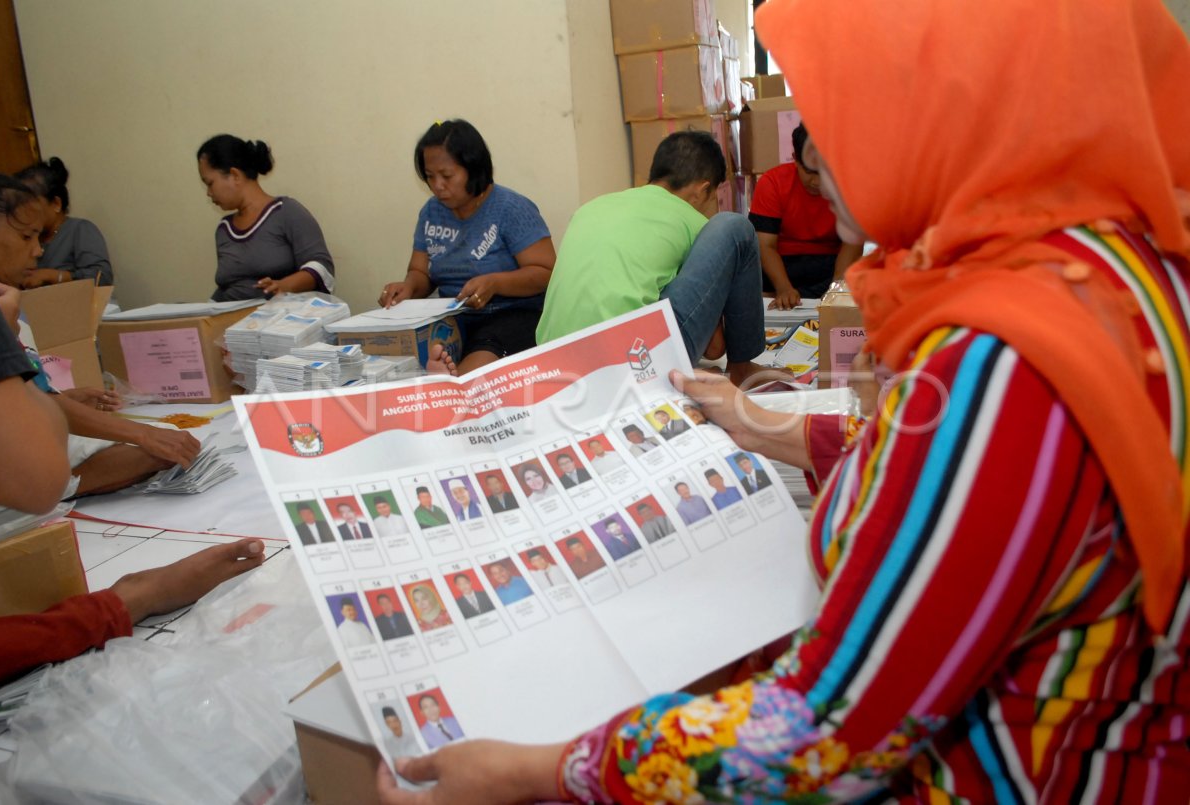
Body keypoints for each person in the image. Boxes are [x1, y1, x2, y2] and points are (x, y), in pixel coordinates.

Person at [374, 1, 1190, 802]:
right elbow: (934, 456)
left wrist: (534, 771)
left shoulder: (1005, 359)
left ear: (944, 110)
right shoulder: (1093, 267)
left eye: (841, 112)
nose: (813, 156)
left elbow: (819, 738)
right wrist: (764, 422)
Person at [0, 176, 267, 688]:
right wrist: (133, 598)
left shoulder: (9, 309)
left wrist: (52, 400)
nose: (38, 249)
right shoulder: (1, 318)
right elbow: (41, 480)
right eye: (26, 236)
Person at [0, 174, 201, 496]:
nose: (36, 252)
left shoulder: (3, 296)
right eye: (26, 237)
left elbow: (21, 392)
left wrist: (63, 399)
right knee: (158, 448)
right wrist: (142, 433)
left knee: (162, 442)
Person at [535, 130, 767, 386]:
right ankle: (742, 369)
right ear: (702, 191)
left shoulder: (591, 207)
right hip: (634, 364)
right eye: (714, 197)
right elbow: (714, 349)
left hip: (553, 363)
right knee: (735, 228)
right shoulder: (692, 221)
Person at [379, 120, 556, 375]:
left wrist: (495, 283)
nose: (438, 186)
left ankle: (453, 382)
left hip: (511, 316)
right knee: (395, 363)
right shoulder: (431, 211)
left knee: (469, 377)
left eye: (447, 176)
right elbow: (421, 273)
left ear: (474, 169)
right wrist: (407, 288)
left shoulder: (511, 208)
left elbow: (547, 272)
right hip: (453, 320)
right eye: (430, 177)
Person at [196, 134, 335, 301]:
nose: (209, 193)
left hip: (282, 319)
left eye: (210, 183)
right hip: (231, 321)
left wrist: (284, 285)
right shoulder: (224, 229)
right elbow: (228, 287)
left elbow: (322, 268)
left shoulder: (286, 212)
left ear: (235, 175)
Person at [748, 122, 863, 307]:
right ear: (795, 159)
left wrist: (836, 291)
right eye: (809, 172)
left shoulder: (850, 187)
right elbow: (765, 246)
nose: (817, 182)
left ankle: (778, 296)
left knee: (860, 279)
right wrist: (783, 288)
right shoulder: (772, 183)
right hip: (781, 265)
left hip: (827, 265)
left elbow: (852, 244)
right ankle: (782, 295)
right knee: (746, 276)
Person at [14, 157, 113, 286]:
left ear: (56, 203)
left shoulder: (79, 229)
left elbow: (103, 277)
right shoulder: (24, 237)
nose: (22, 211)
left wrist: (55, 276)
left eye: (29, 204)